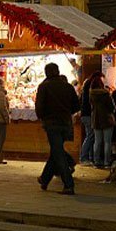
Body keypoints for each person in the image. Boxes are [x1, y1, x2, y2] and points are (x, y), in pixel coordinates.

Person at [34, 63, 80, 195]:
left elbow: (40, 108)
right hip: (66, 123)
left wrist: (44, 116)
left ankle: (68, 184)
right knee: (56, 150)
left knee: (58, 152)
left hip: (52, 123)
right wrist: (66, 112)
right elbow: (76, 106)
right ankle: (44, 178)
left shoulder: (44, 87)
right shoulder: (67, 86)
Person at [89, 74, 115, 169]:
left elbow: (91, 106)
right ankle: (106, 161)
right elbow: (110, 107)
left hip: (96, 119)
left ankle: (97, 161)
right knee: (107, 142)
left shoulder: (91, 94)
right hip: (106, 118)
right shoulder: (106, 94)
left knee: (97, 141)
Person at [78, 72, 99, 166]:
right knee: (90, 136)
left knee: (90, 136)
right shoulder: (90, 88)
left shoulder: (85, 86)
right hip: (88, 114)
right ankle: (83, 157)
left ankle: (89, 157)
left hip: (84, 114)